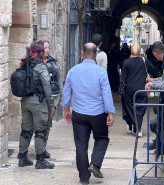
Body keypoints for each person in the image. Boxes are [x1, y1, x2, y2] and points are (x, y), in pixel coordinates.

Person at [62, 42, 115, 185]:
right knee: (102, 138)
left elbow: (66, 91)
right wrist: (110, 112)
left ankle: (84, 177)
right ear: (96, 54)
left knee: (81, 144)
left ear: (81, 53)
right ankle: (95, 164)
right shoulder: (100, 72)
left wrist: (66, 109)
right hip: (98, 113)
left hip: (79, 113)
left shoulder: (73, 71)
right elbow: (106, 93)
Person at [17, 42, 55, 169]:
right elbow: (47, 88)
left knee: (26, 130)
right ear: (39, 53)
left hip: (25, 101)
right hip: (38, 103)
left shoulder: (24, 65)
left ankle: (22, 158)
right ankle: (40, 161)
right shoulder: (40, 67)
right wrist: (52, 105)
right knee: (40, 130)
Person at [37, 39, 63, 159]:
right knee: (38, 124)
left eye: (48, 48)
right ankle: (38, 148)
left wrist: (62, 97)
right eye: (44, 48)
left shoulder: (53, 63)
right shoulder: (34, 62)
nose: (47, 50)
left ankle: (42, 149)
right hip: (38, 98)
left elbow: (58, 80)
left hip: (52, 97)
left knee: (47, 124)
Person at [119, 43, 148, 138]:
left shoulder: (126, 62)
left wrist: (121, 91)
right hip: (141, 90)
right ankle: (138, 128)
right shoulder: (144, 61)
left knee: (129, 108)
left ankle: (131, 125)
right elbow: (154, 71)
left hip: (129, 90)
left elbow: (124, 79)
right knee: (140, 109)